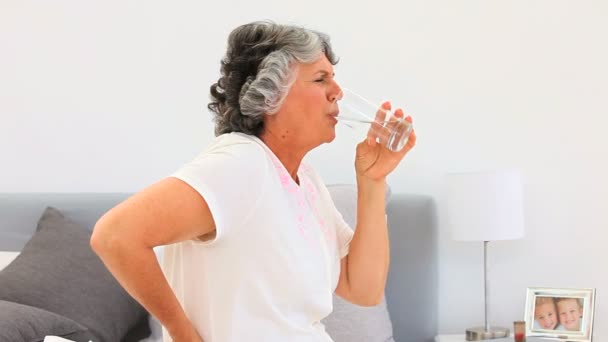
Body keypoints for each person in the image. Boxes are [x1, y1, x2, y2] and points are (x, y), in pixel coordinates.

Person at [90, 21, 416, 342]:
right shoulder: (240, 164)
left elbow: (363, 289)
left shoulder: (303, 178)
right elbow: (116, 235)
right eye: (321, 79)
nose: (338, 92)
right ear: (271, 95)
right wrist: (182, 333)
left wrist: (373, 181)